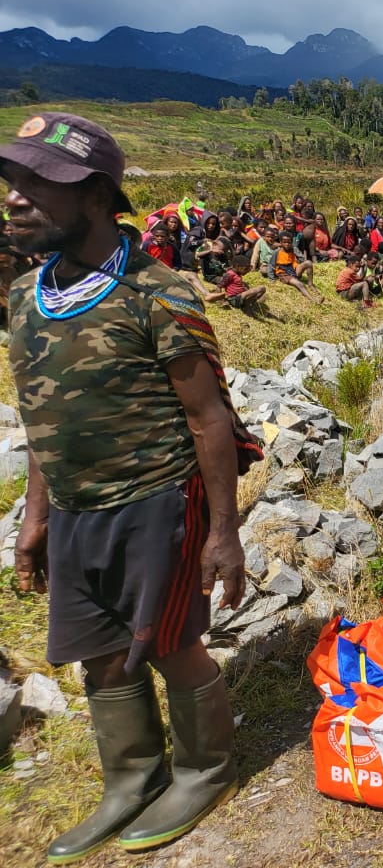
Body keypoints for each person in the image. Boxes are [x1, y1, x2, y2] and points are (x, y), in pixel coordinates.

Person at [1, 112, 253, 860]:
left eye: (38, 184)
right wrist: (35, 517)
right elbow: (46, 413)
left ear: (96, 195)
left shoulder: (157, 293)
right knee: (100, 653)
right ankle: (130, 778)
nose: (16, 199)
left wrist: (222, 531)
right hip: (77, 510)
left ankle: (205, 768)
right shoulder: (27, 296)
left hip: (157, 502)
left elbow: (209, 420)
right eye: (13, 182)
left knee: (170, 643)